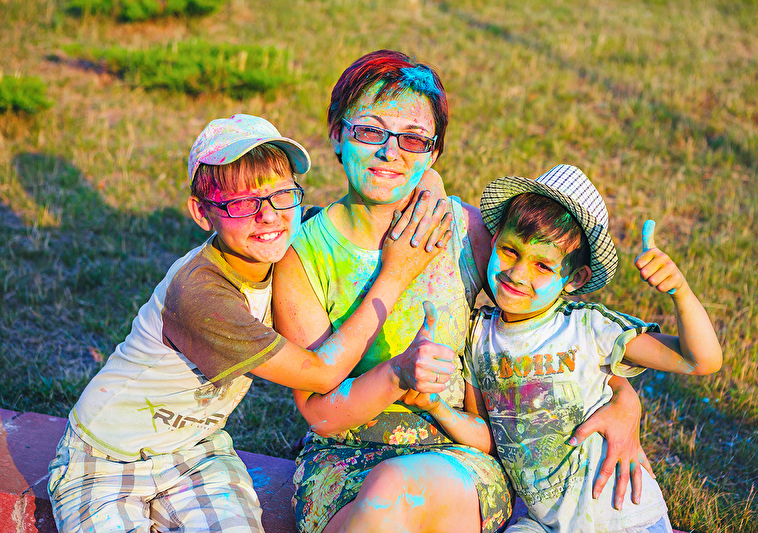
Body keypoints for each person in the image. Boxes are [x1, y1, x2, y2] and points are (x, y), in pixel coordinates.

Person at [273, 50, 653, 533]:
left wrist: (623, 397)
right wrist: (397, 373)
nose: (390, 153)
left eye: (413, 139)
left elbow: (546, 325)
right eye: (370, 131)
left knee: (395, 487)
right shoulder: (302, 255)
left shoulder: (463, 231)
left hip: (457, 455)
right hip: (341, 459)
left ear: (433, 153)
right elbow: (320, 414)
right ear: (336, 133)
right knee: (383, 499)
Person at [47, 113, 452, 532]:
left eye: (282, 195)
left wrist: (431, 183)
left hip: (195, 454)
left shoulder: (290, 236)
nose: (269, 217)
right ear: (202, 213)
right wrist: (395, 276)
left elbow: (415, 181)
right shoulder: (200, 296)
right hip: (105, 460)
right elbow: (321, 373)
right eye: (241, 203)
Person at [453, 164, 722, 532]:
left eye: (543, 265)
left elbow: (700, 361)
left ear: (575, 278)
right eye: (510, 251)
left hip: (621, 516)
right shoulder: (477, 335)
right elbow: (484, 434)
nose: (517, 273)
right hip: (542, 522)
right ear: (495, 239)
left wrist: (681, 293)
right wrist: (434, 405)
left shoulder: (588, 327)